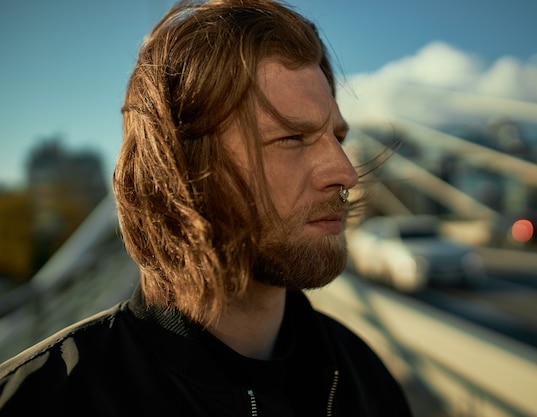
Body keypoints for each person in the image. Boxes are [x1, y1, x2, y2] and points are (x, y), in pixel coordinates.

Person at [0, 0, 412, 415]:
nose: (345, 172)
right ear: (177, 171)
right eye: (291, 138)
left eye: (336, 138)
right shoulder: (44, 399)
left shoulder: (364, 377)